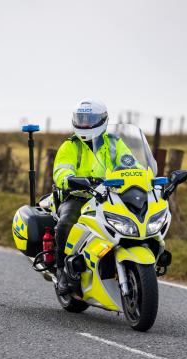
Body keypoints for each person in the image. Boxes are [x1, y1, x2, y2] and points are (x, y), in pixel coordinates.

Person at [53, 99, 135, 294]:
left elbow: (131, 164)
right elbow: (60, 171)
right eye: (81, 118)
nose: (85, 123)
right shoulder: (70, 146)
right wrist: (70, 180)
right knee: (66, 223)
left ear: (103, 120)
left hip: (110, 195)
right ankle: (62, 271)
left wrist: (142, 177)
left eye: (90, 119)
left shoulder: (115, 143)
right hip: (78, 195)